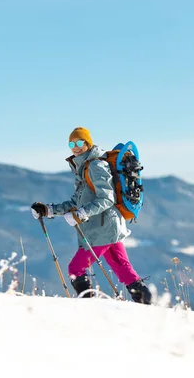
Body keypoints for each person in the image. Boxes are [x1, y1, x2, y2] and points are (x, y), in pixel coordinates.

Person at [30, 127, 152, 304]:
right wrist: (49, 210)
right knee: (123, 269)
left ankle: (88, 309)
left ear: (87, 143)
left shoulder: (95, 165)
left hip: (102, 228)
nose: (75, 147)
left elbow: (107, 198)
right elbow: (76, 201)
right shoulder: (83, 167)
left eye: (79, 142)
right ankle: (147, 305)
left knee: (76, 269)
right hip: (107, 227)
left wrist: (83, 214)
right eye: (72, 143)